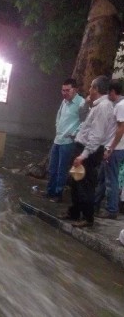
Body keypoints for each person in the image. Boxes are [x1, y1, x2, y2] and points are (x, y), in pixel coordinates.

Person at [61, 75, 115, 228]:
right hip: (83, 147)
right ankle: (75, 212)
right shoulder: (97, 105)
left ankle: (87, 217)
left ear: (97, 89)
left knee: (86, 185)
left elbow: (96, 135)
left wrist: (83, 155)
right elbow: (85, 121)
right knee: (76, 182)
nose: (89, 90)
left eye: (91, 87)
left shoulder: (103, 107)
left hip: (90, 151)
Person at [45, 78, 85, 202]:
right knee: (52, 168)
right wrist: (58, 127)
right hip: (58, 139)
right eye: (63, 90)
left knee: (62, 169)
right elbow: (59, 115)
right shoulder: (64, 102)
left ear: (75, 90)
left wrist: (74, 134)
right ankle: (50, 191)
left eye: (67, 90)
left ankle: (58, 194)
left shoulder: (81, 103)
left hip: (68, 142)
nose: (65, 93)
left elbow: (85, 122)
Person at [94, 80, 124, 219]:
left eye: (108, 93)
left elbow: (120, 129)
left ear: (112, 92)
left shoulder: (120, 106)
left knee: (111, 180)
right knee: (101, 177)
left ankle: (112, 210)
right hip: (115, 148)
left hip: (115, 149)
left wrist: (110, 148)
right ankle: (94, 204)